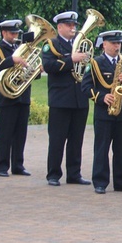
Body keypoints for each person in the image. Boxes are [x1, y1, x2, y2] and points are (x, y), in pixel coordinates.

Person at [81, 30, 122, 194]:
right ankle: (100, 181)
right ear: (104, 44)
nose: (117, 46)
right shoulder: (96, 63)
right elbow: (85, 87)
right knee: (102, 148)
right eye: (113, 43)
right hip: (104, 112)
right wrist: (101, 97)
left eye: (119, 43)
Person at [41, 11, 91, 186]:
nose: (73, 28)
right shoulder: (51, 44)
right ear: (60, 27)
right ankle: (53, 174)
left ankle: (74, 174)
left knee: (77, 139)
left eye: (74, 25)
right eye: (69, 25)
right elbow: (48, 66)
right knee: (57, 139)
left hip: (80, 99)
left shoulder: (81, 45)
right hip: (61, 99)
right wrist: (72, 59)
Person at [0, 19, 31, 178]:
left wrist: (34, 69)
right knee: (5, 133)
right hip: (7, 97)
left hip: (23, 96)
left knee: (21, 133)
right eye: (12, 33)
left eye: (16, 33)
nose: (15, 36)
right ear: (4, 33)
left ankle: (18, 165)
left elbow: (31, 72)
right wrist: (11, 60)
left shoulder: (22, 48)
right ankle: (2, 166)